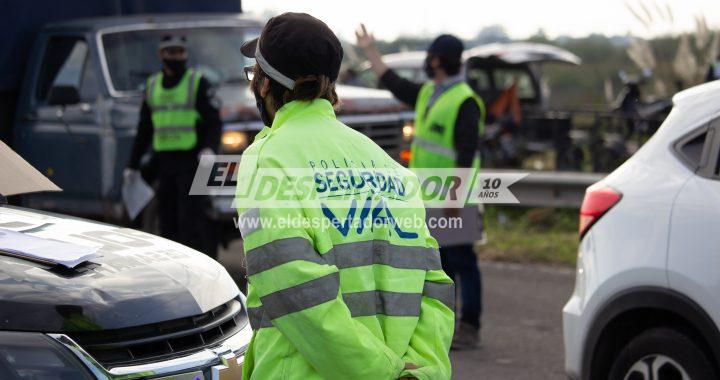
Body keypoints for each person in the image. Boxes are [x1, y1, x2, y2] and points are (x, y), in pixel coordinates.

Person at [235, 13, 455, 380]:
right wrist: (422, 371)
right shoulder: (388, 166)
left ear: (263, 86)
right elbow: (433, 283)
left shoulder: (267, 159)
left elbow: (296, 291)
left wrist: (380, 374)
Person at [357, 25, 485, 350]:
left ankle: (470, 325)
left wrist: (455, 196)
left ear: (439, 60)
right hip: (428, 196)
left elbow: (466, 154)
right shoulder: (430, 92)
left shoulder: (465, 101)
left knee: (463, 261)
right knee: (438, 262)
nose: (427, 62)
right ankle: (446, 324)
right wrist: (371, 51)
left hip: (455, 196)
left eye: (430, 57)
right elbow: (394, 82)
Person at [124, 35, 221, 257]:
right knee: (168, 223)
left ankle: (199, 270)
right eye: (171, 52)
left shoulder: (197, 83)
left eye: (179, 52)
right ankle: (176, 271)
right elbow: (144, 129)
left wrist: (210, 148)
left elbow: (213, 122)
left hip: (192, 162)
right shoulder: (152, 86)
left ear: (185, 54)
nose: (175, 56)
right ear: (161, 54)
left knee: (192, 223)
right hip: (164, 164)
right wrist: (132, 165)